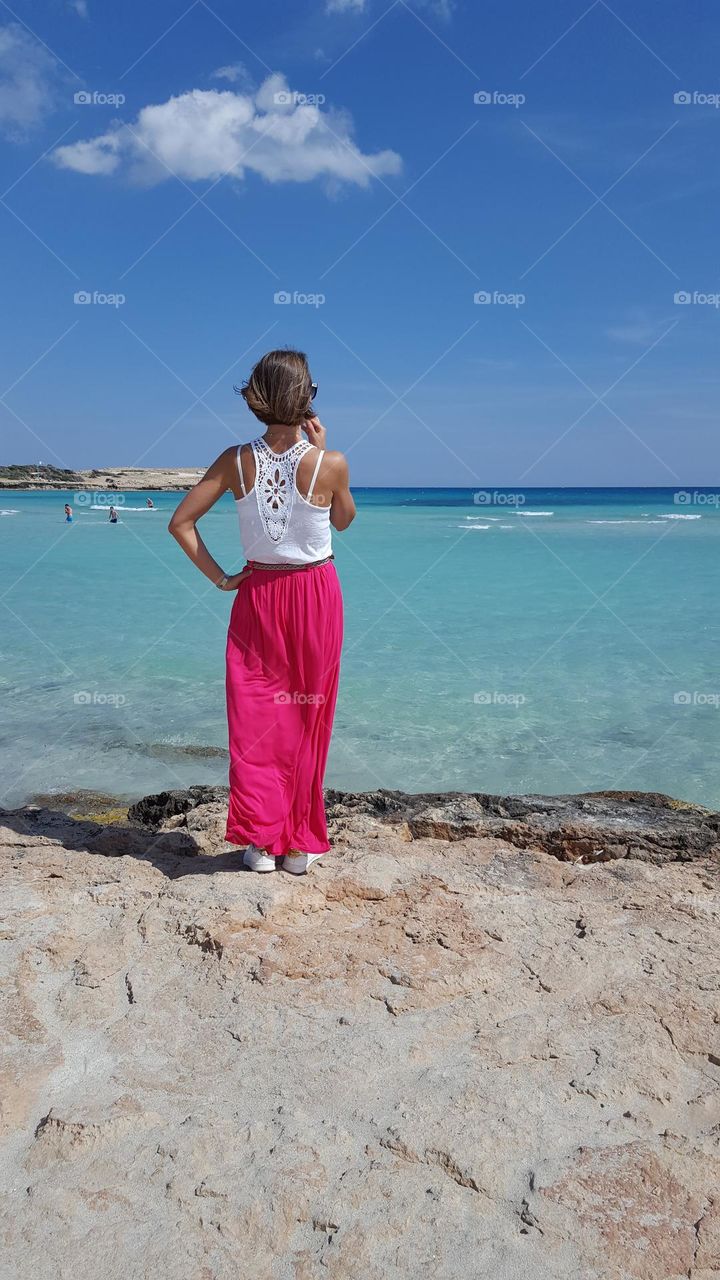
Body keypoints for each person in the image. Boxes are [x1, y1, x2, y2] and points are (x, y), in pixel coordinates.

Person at [168, 348, 355, 875]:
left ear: (257, 397)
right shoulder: (331, 463)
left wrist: (224, 579)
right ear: (306, 398)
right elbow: (344, 521)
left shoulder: (234, 460)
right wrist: (323, 451)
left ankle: (261, 842)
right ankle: (297, 845)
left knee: (255, 717)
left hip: (258, 595)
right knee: (307, 714)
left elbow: (180, 524)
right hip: (317, 596)